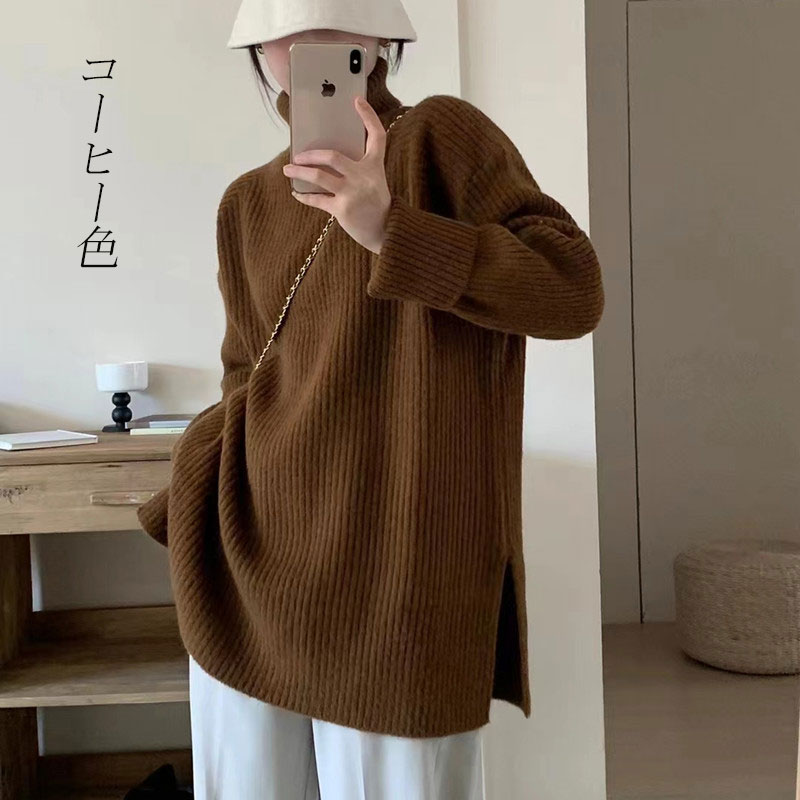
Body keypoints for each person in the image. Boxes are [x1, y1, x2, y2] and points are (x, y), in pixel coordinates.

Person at [136, 0, 605, 797]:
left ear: (379, 38)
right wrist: (208, 463)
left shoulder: (440, 140)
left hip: (398, 575)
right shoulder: (246, 204)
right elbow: (244, 372)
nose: (309, 31)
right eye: (285, 24)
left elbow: (571, 291)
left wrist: (391, 229)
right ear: (260, 49)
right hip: (250, 561)